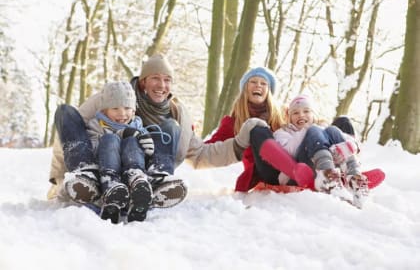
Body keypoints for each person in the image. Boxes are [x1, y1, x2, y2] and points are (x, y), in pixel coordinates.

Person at [47, 54, 266, 208]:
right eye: (155, 78)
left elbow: (201, 155)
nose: (162, 85)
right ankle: (86, 177)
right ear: (143, 82)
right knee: (66, 112)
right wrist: (59, 178)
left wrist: (239, 143)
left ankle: (156, 181)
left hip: (142, 177)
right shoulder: (113, 98)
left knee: (170, 127)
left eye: (167, 80)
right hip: (103, 168)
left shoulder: (178, 113)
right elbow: (71, 132)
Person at [205, 67, 312, 192]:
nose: (258, 86)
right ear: (245, 88)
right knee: (256, 128)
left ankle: (328, 175)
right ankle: (297, 173)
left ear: (268, 90)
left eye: (263, 83)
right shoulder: (233, 122)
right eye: (253, 82)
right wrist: (187, 140)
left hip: (296, 164)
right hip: (268, 173)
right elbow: (209, 149)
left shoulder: (282, 114)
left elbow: (302, 128)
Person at [86, 81, 173, 223]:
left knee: (132, 142)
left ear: (134, 110)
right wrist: (122, 133)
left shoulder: (138, 126)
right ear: (104, 110)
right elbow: (93, 149)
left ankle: (138, 186)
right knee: (110, 139)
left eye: (127, 108)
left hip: (131, 170)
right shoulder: (96, 125)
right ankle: (112, 189)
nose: (122, 114)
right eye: (115, 108)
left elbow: (146, 153)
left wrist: (147, 146)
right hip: (108, 171)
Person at [272, 94, 369, 208]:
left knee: (332, 130)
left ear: (313, 114)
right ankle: (326, 176)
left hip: (329, 164)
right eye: (295, 113)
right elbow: (288, 152)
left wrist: (352, 145)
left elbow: (349, 140)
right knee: (315, 130)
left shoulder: (322, 128)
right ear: (289, 117)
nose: (301, 115)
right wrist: (307, 129)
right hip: (301, 165)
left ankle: (354, 178)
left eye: (306, 111)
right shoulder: (282, 132)